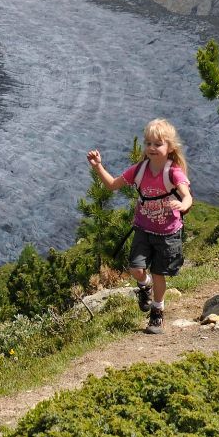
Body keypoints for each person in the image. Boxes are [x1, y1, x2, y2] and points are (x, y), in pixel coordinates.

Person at [87, 119, 193, 335]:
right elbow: (112, 185)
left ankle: (157, 312)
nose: (152, 148)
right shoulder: (139, 170)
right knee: (136, 269)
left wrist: (182, 204)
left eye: (158, 144)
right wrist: (98, 167)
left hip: (167, 232)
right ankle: (144, 287)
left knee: (158, 274)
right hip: (143, 228)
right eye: (148, 144)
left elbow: (187, 196)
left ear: (170, 148)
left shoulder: (173, 172)